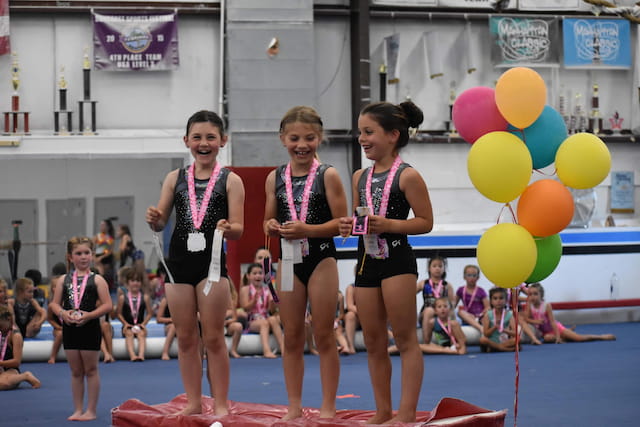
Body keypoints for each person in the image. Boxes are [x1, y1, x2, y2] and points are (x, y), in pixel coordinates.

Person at [338, 100, 433, 424]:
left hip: (396, 261)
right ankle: (382, 411)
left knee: (405, 338)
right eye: (360, 132)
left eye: (368, 132)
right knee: (375, 341)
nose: (362, 139)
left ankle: (405, 413)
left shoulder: (408, 176)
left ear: (393, 135)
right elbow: (360, 217)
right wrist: (350, 225)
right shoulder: (359, 176)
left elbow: (425, 221)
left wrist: (390, 224)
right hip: (366, 261)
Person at [146, 110, 245, 416]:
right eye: (197, 137)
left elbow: (240, 229)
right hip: (177, 265)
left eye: (211, 137)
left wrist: (230, 228)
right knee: (187, 338)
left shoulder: (231, 180)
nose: (204, 143)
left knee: (214, 337)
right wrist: (155, 219)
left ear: (223, 141)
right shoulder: (175, 178)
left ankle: (220, 404)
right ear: (186, 140)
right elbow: (161, 221)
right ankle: (192, 402)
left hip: (211, 264)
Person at [264, 105, 348, 420]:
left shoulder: (328, 174)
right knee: (293, 335)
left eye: (309, 138)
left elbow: (343, 224)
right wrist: (271, 227)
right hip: (288, 259)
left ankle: (328, 405)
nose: (302, 145)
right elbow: (266, 221)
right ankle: (294, 406)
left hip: (321, 257)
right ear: (283, 138)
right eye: (295, 138)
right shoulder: (275, 177)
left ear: (320, 138)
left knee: (324, 333)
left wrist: (307, 230)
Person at [49, 236, 113, 421]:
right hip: (70, 327)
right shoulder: (64, 280)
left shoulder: (97, 280)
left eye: (87, 253)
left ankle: (91, 410)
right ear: (70, 257)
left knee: (91, 370)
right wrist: (62, 313)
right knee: (76, 371)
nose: (83, 257)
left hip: (90, 326)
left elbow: (108, 305)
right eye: (79, 253)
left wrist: (89, 315)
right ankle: (78, 409)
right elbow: (54, 304)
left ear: (92, 255)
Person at [524, 283, 616, 343]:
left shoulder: (546, 306)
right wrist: (536, 322)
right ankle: (565, 337)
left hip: (557, 329)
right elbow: (526, 319)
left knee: (579, 339)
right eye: (530, 294)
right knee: (547, 338)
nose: (532, 297)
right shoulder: (529, 305)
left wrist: (557, 336)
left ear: (541, 295)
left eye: (535, 294)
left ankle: (601, 337)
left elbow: (552, 322)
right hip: (546, 333)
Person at [239, 263, 283, 358]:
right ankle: (266, 351)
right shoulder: (245, 290)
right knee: (264, 323)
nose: (258, 275)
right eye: (254, 273)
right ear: (248, 276)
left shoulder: (267, 289)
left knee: (273, 319)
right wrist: (253, 301)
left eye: (260, 273)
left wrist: (272, 302)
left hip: (266, 317)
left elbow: (271, 311)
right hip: (252, 320)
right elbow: (245, 307)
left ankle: (283, 349)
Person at [0, 305, 41, 390]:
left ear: (8, 319)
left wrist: (1, 363)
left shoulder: (15, 336)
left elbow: (16, 362)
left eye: (0, 326)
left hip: (10, 370)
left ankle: (25, 376)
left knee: (3, 383)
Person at [416, 256, 455, 343]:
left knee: (447, 309)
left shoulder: (447, 285)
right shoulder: (423, 283)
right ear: (429, 268)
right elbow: (409, 294)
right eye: (434, 266)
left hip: (442, 314)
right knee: (429, 310)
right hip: (426, 313)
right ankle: (426, 341)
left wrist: (451, 317)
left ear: (444, 269)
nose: (437, 268)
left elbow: (452, 304)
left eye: (440, 266)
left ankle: (452, 339)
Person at [116, 269, 152, 361]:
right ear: (128, 282)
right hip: (127, 326)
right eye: (133, 281)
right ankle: (132, 355)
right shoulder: (122, 297)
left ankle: (141, 355)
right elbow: (119, 314)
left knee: (141, 334)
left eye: (138, 281)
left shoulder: (145, 297)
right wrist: (125, 324)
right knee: (129, 334)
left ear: (141, 283)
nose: (135, 283)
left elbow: (149, 313)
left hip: (140, 325)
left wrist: (143, 324)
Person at [479, 287, 518, 352]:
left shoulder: (509, 314)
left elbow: (515, 333)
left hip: (505, 341)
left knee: (517, 339)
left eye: (501, 298)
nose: (498, 301)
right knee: (482, 340)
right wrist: (495, 327)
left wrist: (504, 330)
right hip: (492, 341)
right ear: (491, 301)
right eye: (495, 298)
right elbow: (486, 334)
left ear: (506, 300)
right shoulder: (488, 314)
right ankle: (502, 348)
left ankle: (497, 348)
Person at [454, 265, 489, 333]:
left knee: (487, 315)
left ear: (478, 277)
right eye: (469, 275)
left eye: (474, 275)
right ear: (464, 277)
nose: (472, 278)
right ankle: (480, 328)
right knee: (460, 312)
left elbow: (487, 307)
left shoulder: (481, 291)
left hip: (479, 317)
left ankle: (480, 326)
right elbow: (453, 305)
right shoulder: (461, 290)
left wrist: (482, 314)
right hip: (468, 317)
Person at [46, 262, 67, 363]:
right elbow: (49, 318)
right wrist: (57, 326)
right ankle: (53, 356)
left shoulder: (69, 301)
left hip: (70, 327)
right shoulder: (52, 305)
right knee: (60, 334)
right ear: (53, 289)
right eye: (56, 286)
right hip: (58, 328)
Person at [94, 218, 116, 288]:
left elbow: (110, 250)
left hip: (106, 256)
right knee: (99, 272)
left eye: (103, 225)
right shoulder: (97, 236)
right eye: (101, 225)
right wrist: (94, 257)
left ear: (108, 227)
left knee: (106, 274)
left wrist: (102, 257)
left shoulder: (110, 237)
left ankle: (106, 287)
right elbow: (92, 248)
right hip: (98, 255)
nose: (102, 227)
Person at [225, 278, 243, 359]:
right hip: (215, 325)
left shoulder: (231, 302)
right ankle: (205, 351)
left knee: (238, 326)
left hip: (226, 326)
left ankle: (233, 349)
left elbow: (235, 318)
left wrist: (227, 322)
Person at [155, 296, 175, 360]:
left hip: (183, 326)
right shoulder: (166, 300)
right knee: (173, 326)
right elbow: (158, 319)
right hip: (169, 327)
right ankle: (165, 352)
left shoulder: (185, 298)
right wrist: (173, 320)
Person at [343, 280, 359, 354]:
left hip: (371, 316)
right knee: (350, 315)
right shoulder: (351, 288)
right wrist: (365, 313)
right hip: (358, 317)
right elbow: (350, 306)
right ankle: (350, 346)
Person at [334, 289, 350, 355]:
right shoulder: (316, 295)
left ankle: (345, 348)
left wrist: (336, 320)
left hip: (334, 319)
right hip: (320, 320)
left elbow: (342, 314)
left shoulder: (339, 296)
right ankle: (334, 347)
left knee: (338, 331)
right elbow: (310, 315)